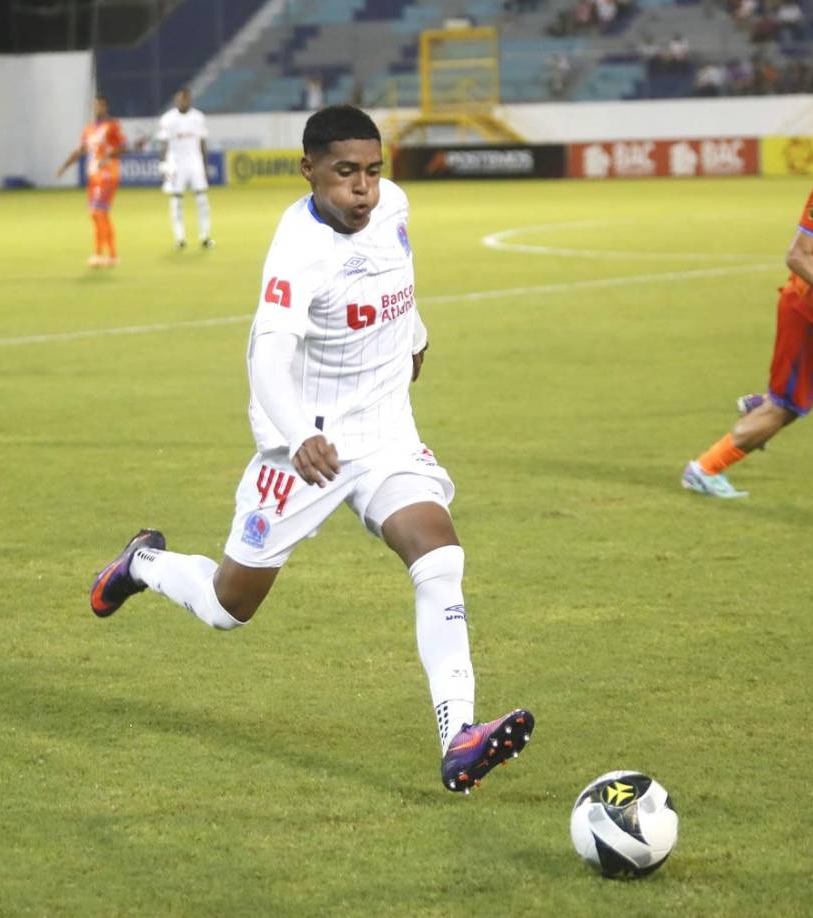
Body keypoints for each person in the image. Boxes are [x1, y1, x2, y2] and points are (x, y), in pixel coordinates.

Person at [89, 105, 534, 793]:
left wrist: (414, 334)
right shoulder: (298, 252)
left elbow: (396, 279)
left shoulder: (394, 208)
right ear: (309, 171)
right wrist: (301, 437)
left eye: (373, 172)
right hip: (306, 447)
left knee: (439, 555)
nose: (363, 188)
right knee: (226, 606)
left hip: (385, 431)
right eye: (346, 173)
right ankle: (143, 563)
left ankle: (460, 736)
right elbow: (266, 361)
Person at [681, 100, 813, 498]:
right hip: (810, 309)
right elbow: (797, 256)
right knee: (786, 409)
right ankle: (704, 468)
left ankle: (767, 400)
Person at [56, 93, 128, 267]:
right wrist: (65, 166)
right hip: (94, 176)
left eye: (101, 105)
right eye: (95, 105)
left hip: (108, 174)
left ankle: (110, 255)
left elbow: (124, 147)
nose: (98, 108)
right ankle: (101, 254)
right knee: (96, 215)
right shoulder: (89, 129)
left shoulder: (112, 126)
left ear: (106, 107)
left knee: (98, 212)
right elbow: (81, 150)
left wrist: (109, 156)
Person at [157, 88, 214, 249]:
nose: (183, 101)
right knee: (176, 200)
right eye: (180, 99)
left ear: (189, 100)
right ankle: (180, 238)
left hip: (194, 161)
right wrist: (164, 165)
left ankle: (205, 237)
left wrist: (205, 165)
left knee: (202, 199)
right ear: (176, 100)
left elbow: (202, 143)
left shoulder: (198, 117)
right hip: (176, 162)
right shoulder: (168, 119)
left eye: (185, 99)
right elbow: (163, 143)